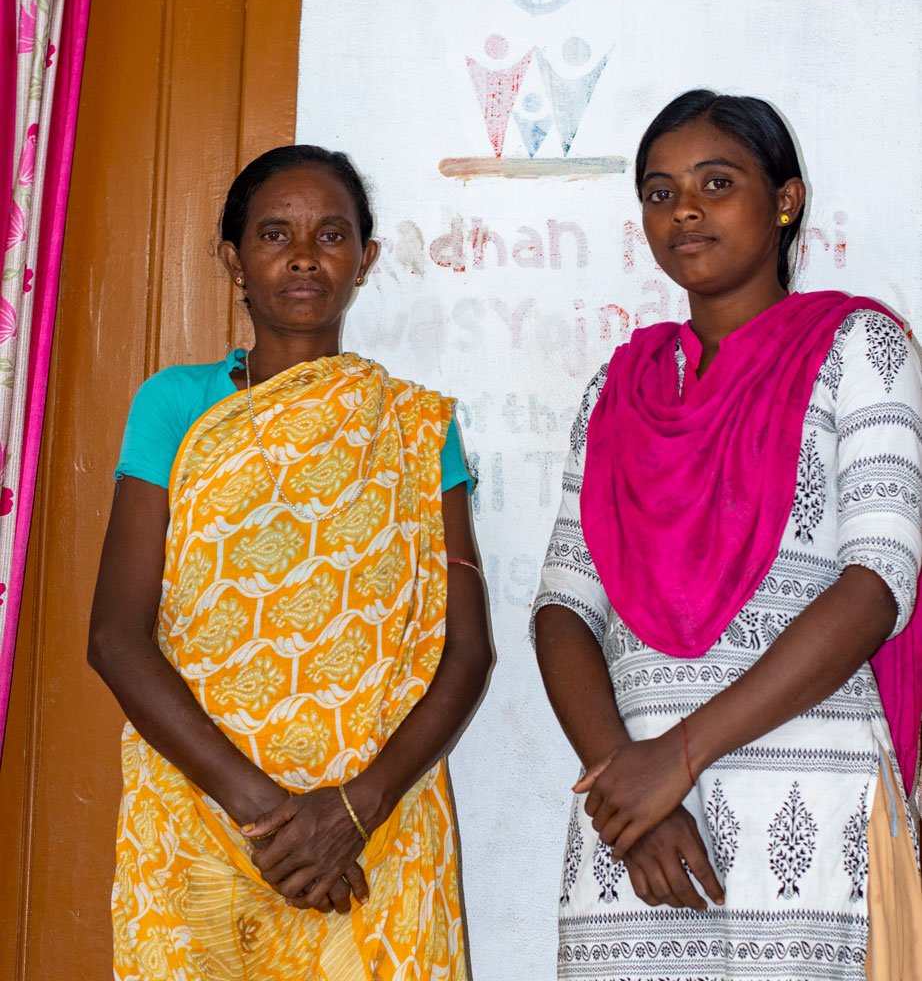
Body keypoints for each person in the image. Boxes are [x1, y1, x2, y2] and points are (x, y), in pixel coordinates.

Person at [533, 90, 922, 980]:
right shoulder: (616, 391)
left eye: (717, 182)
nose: (686, 211)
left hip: (813, 824)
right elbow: (562, 609)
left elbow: (877, 586)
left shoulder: (861, 350)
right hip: (634, 829)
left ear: (786, 199)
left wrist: (680, 754)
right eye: (661, 193)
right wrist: (629, 783)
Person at [89, 145, 493, 980]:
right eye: (276, 234)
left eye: (331, 234)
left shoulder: (413, 430)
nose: (305, 256)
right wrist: (270, 816)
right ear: (233, 257)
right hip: (202, 816)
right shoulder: (176, 405)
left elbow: (468, 648)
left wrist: (356, 809)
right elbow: (116, 638)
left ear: (366, 259)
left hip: (377, 829)